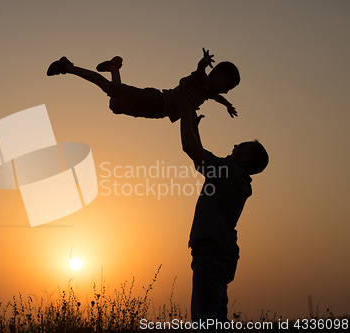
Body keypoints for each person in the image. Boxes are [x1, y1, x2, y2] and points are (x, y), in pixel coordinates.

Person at [179, 101, 268, 332]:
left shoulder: (228, 171)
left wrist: (183, 113)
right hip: (219, 254)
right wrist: (193, 126)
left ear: (246, 158)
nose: (236, 144)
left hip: (212, 253)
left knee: (206, 322)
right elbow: (200, 156)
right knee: (215, 320)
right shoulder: (233, 177)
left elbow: (192, 151)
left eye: (242, 146)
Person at [47, 48, 240, 122]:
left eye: (229, 90)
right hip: (155, 99)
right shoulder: (202, 80)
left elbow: (217, 97)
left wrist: (227, 105)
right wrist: (204, 62)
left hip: (158, 112)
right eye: (227, 84)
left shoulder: (207, 92)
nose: (226, 90)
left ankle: (114, 67)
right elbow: (199, 70)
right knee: (109, 88)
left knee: (115, 105)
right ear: (217, 75)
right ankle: (68, 66)